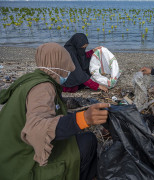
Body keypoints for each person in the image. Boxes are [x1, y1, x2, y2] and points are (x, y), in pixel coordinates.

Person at [0, 43, 110, 180]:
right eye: (65, 63)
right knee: (88, 140)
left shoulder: (31, 80)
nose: (68, 70)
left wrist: (78, 119)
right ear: (58, 64)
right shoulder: (43, 88)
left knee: (75, 131)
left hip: (8, 156)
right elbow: (36, 127)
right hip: (22, 166)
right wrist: (83, 119)